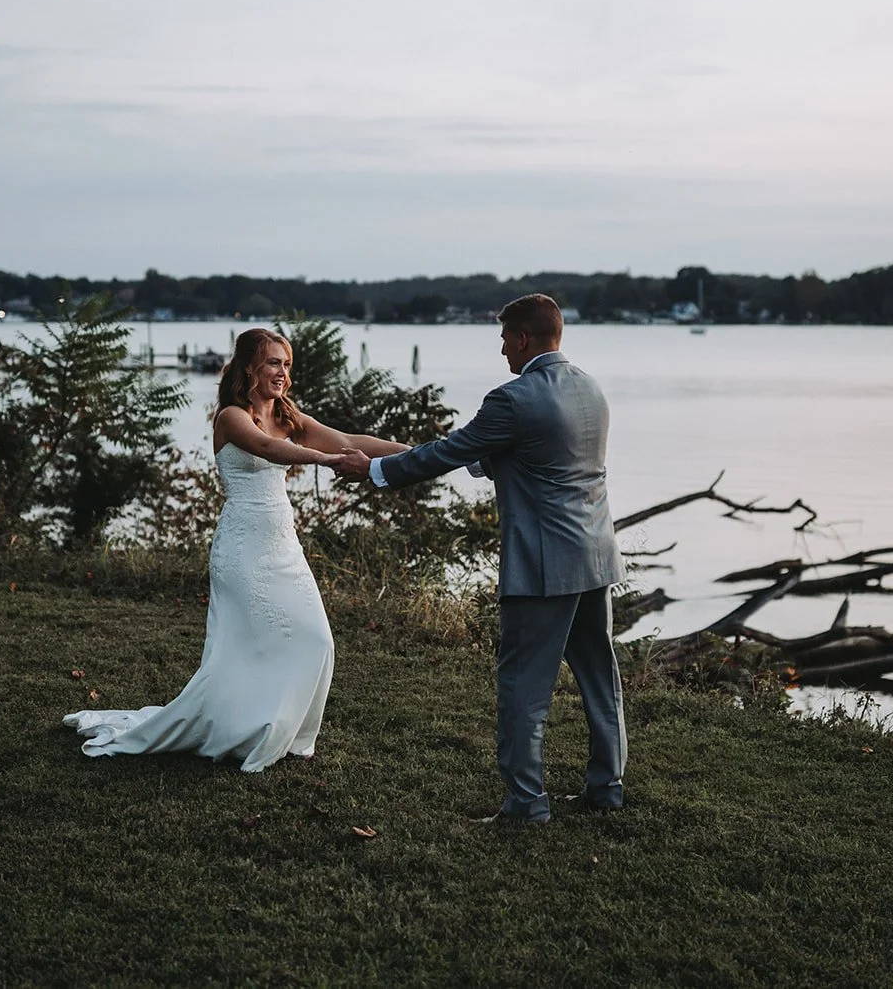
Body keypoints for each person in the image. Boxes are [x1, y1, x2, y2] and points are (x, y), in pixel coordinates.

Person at [335, 294, 626, 824]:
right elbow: (522, 458)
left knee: (524, 686)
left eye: (503, 340)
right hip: (596, 557)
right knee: (599, 678)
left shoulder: (513, 399)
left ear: (521, 339)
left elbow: (453, 452)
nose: (501, 351)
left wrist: (375, 471)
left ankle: (525, 804)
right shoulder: (590, 388)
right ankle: (606, 787)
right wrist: (445, 450)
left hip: (543, 566)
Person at [64, 327, 404, 771]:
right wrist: (325, 461)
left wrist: (427, 454)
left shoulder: (288, 416)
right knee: (246, 647)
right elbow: (266, 448)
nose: (282, 373)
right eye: (273, 363)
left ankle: (279, 731)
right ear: (249, 367)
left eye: (287, 365)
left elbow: (350, 441)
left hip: (284, 547)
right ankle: (244, 730)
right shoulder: (231, 416)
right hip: (242, 549)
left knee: (317, 640)